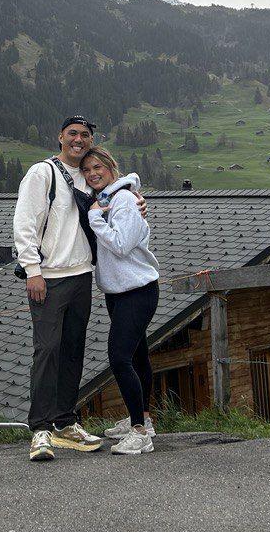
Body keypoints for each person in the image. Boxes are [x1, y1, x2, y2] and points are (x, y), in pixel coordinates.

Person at [13, 116, 105, 461]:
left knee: (72, 351)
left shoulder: (91, 176)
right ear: (60, 138)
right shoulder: (43, 173)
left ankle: (65, 422)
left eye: (85, 135)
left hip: (82, 276)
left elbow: (119, 193)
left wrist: (137, 201)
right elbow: (24, 224)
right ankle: (39, 429)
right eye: (73, 134)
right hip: (48, 278)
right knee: (47, 351)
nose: (79, 139)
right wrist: (32, 270)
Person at [82, 145, 160, 455]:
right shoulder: (107, 200)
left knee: (120, 358)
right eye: (87, 170)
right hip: (119, 292)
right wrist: (97, 213)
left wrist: (95, 220)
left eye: (98, 166)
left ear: (111, 167)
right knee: (139, 356)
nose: (93, 173)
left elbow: (122, 245)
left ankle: (140, 434)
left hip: (137, 292)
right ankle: (142, 419)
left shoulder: (124, 200)